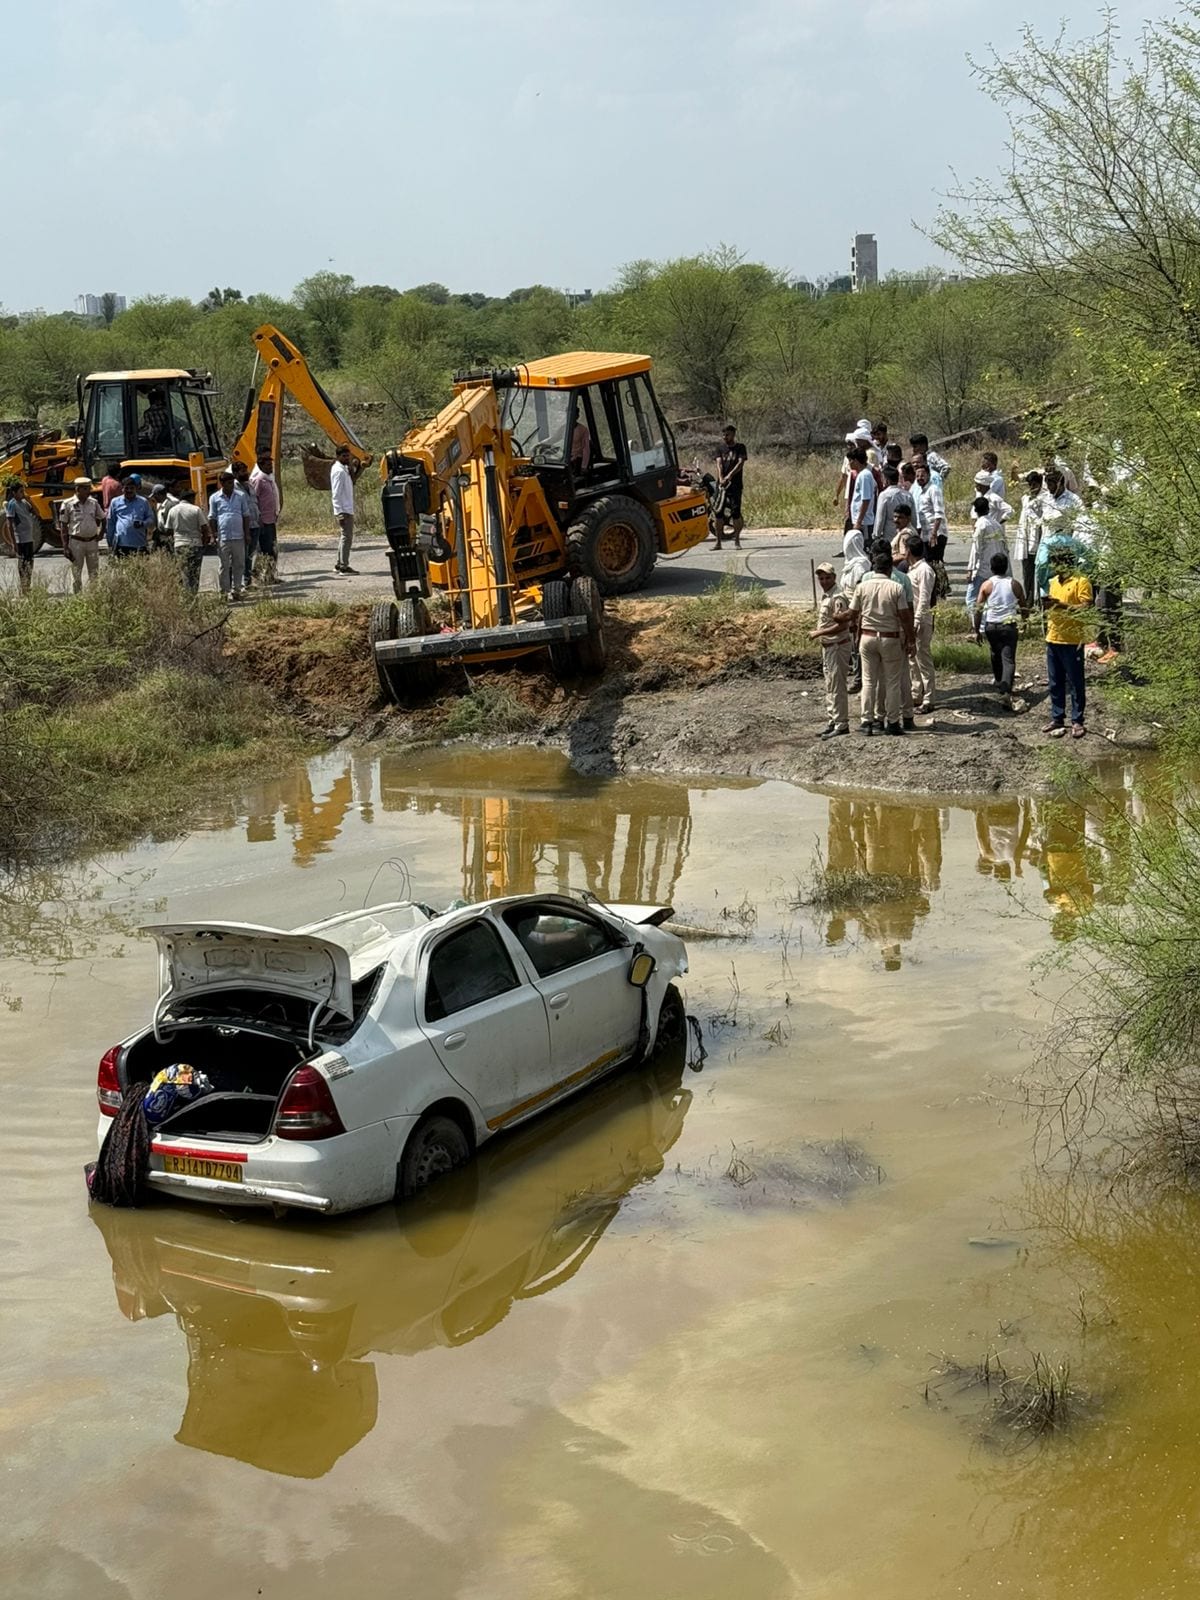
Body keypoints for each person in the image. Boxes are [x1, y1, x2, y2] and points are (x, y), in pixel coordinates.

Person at [849, 546, 912, 736]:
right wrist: (910, 638)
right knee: (892, 681)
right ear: (889, 570)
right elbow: (904, 615)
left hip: (867, 637)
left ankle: (867, 721)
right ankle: (892, 722)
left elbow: (853, 613)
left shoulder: (862, 587)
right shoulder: (896, 587)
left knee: (868, 681)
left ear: (874, 567)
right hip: (890, 637)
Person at [1044, 548, 1093, 738]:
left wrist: (1061, 606)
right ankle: (1057, 717)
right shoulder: (1054, 582)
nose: (1052, 567)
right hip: (1053, 637)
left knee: (1075, 681)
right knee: (1055, 681)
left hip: (1072, 640)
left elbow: (1086, 607)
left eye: (1055, 563)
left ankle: (1077, 720)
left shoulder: (1081, 581)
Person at [973, 552, 1028, 708]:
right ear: (1006, 567)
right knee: (1008, 658)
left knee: (995, 653)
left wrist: (976, 629)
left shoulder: (987, 585)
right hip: (1009, 625)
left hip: (992, 625)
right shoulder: (1015, 584)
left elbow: (978, 609)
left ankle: (999, 681)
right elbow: (1023, 605)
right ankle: (1006, 690)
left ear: (991, 568)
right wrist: (1025, 622)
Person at [810, 561, 853, 738]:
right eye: (821, 578)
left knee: (837, 686)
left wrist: (819, 632)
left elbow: (843, 625)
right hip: (828, 646)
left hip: (837, 645)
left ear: (834, 578)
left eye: (827, 578)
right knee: (830, 685)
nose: (824, 581)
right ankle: (833, 720)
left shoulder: (838, 597)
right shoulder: (827, 595)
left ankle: (841, 723)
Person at [1034, 470, 1086, 597]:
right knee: (1042, 565)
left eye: (1052, 486)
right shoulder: (1046, 498)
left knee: (1063, 573)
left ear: (1060, 484)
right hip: (1047, 541)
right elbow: (1030, 509)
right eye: (1048, 486)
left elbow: (1082, 521)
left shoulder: (1074, 500)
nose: (1050, 489)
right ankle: (1044, 598)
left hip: (1065, 543)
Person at [207, 467, 253, 600]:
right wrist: (214, 535)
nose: (231, 486)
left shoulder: (240, 496)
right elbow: (212, 517)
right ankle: (224, 592)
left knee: (239, 564)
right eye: (228, 483)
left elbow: (246, 515)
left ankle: (237, 590)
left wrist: (247, 533)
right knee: (224, 566)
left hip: (239, 536)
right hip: (223, 537)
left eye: (232, 483)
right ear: (222, 484)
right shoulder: (215, 498)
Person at [905, 532, 937, 714]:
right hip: (913, 620)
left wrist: (917, 620)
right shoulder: (913, 570)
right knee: (912, 659)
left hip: (921, 620)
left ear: (909, 551)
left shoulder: (924, 570)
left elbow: (924, 598)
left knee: (923, 659)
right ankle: (916, 693)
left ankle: (929, 698)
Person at [58, 475, 105, 592]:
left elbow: (103, 518)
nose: (89, 491)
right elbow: (63, 526)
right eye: (86, 489)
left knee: (94, 573)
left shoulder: (93, 503)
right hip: (76, 542)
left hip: (92, 542)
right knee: (76, 573)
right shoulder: (68, 504)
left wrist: (101, 533)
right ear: (78, 489)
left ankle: (94, 596)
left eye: (89, 488)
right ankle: (78, 596)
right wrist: (65, 547)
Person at [966, 495, 1008, 620]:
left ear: (975, 511)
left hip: (982, 569)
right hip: (995, 568)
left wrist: (970, 569)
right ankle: (986, 623)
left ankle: (976, 626)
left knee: (972, 598)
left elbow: (976, 550)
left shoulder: (981, 526)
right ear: (988, 509)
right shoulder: (996, 524)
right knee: (990, 598)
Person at [165, 488, 210, 595]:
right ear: (190, 498)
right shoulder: (196, 509)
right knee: (195, 572)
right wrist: (204, 542)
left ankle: (187, 596)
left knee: (185, 572)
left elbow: (168, 529)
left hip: (180, 544)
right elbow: (204, 528)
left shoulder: (173, 510)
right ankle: (193, 594)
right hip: (195, 543)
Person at [1013, 471, 1046, 603]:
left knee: (1040, 572)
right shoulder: (1025, 498)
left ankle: (1040, 599)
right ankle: (1028, 600)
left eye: (1035, 485)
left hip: (1038, 538)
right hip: (1025, 538)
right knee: (1027, 573)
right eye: (1030, 485)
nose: (1032, 488)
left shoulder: (1044, 499)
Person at [249, 449, 280, 584]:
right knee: (265, 549)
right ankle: (259, 576)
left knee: (272, 548)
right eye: (268, 466)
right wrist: (258, 518)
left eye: (271, 465)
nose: (270, 468)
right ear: (261, 466)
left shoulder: (269, 479)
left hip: (271, 519)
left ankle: (270, 575)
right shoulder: (259, 480)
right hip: (263, 521)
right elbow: (254, 500)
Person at [105, 476, 154, 557]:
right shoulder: (115, 502)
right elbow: (111, 523)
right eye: (126, 488)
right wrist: (110, 542)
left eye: (132, 488)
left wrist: (143, 523)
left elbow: (151, 519)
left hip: (139, 543)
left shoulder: (143, 502)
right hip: (121, 544)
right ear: (122, 489)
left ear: (136, 488)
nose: (129, 490)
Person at [715, 425, 747, 548]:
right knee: (718, 513)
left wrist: (729, 477)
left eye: (727, 435)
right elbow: (719, 464)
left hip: (735, 485)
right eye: (723, 435)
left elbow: (740, 463)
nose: (725, 437)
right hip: (722, 485)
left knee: (736, 512)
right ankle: (718, 542)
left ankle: (737, 541)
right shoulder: (720, 448)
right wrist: (721, 478)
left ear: (733, 434)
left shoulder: (740, 448)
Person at [231, 459, 261, 588]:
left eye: (246, 470)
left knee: (250, 554)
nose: (246, 473)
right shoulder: (233, 489)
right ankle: (240, 582)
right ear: (236, 473)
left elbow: (255, 504)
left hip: (255, 525)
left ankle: (248, 581)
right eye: (243, 471)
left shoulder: (249, 486)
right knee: (241, 556)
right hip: (244, 528)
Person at [876, 466, 918, 555]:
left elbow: (880, 518)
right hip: (907, 532)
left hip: (890, 534)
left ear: (886, 480)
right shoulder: (908, 495)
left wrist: (877, 535)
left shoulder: (884, 495)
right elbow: (913, 517)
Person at [5, 480, 37, 594]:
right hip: (21, 539)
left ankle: (28, 585)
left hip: (29, 538)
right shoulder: (12, 504)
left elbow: (35, 512)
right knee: (23, 563)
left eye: (23, 491)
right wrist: (13, 543)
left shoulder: (25, 503)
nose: (23, 493)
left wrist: (30, 500)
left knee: (30, 562)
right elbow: (9, 525)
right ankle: (24, 588)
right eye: (20, 491)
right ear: (14, 492)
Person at [331, 444, 357, 574]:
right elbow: (336, 494)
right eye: (344, 456)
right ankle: (343, 566)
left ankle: (339, 563)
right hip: (344, 510)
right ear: (338, 456)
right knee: (347, 537)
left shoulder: (344, 469)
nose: (347, 458)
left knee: (344, 536)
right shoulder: (338, 471)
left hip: (347, 507)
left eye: (348, 456)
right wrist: (339, 513)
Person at [913, 461, 947, 561]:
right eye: (917, 476)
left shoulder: (933, 490)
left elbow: (939, 513)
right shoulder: (922, 492)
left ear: (928, 475)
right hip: (926, 534)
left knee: (935, 564)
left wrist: (934, 533)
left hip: (936, 535)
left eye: (922, 475)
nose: (920, 478)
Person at [848, 447, 877, 545]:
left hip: (864, 522)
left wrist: (859, 521)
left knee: (864, 547)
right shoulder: (861, 475)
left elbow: (866, 499)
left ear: (856, 461)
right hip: (860, 520)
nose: (849, 463)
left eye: (850, 460)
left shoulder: (865, 475)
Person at [148, 483, 179, 553]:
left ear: (159, 494)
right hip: (161, 536)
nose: (154, 498)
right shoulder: (160, 506)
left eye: (155, 496)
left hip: (168, 537)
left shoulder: (170, 506)